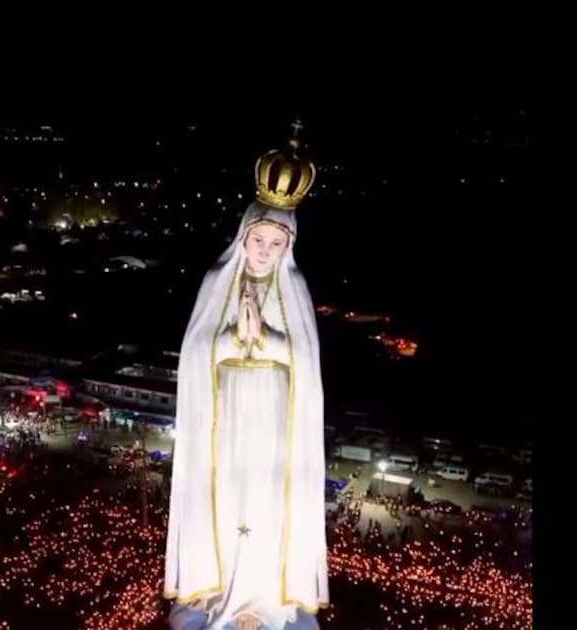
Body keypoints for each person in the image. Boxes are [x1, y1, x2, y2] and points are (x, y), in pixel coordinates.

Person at [164, 125, 327, 630]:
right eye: (257, 239)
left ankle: (266, 592)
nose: (263, 250)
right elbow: (195, 351)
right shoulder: (219, 280)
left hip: (275, 413)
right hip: (226, 411)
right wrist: (236, 338)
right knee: (226, 493)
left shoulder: (294, 287)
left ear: (287, 246)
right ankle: (219, 585)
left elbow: (305, 359)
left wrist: (269, 340)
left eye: (275, 243)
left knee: (269, 498)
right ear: (244, 234)